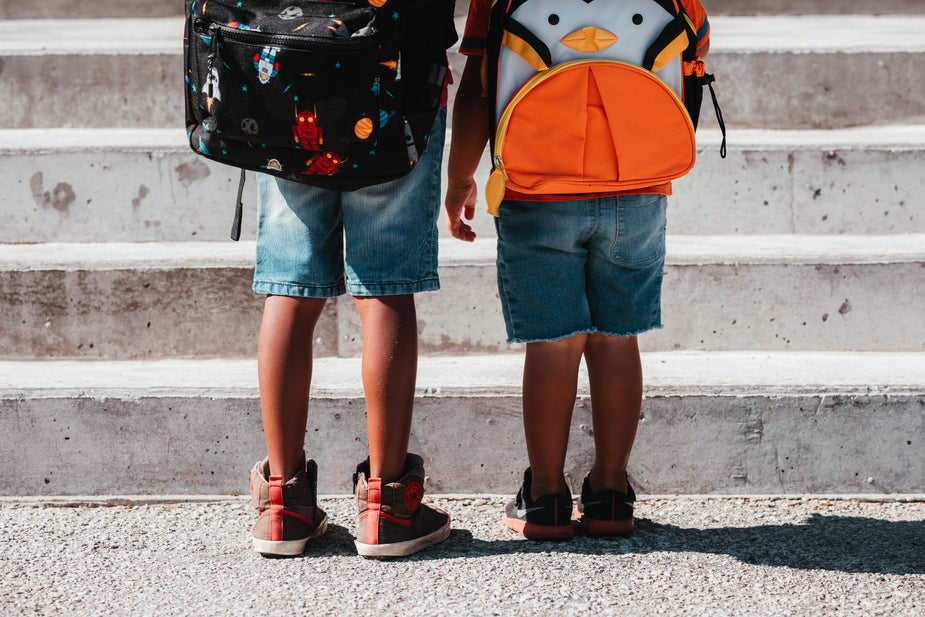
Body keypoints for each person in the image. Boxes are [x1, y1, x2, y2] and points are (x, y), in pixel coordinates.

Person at [445, 0, 711, 540]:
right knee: (616, 338)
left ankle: (544, 497)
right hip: (636, 186)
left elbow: (476, 89)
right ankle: (611, 491)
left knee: (553, 343)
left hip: (536, 185)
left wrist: (459, 180)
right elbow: (695, 56)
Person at [248, 47, 456, 559]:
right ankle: (388, 508)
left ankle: (282, 504)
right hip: (397, 77)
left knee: (290, 286)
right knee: (384, 282)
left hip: (286, 80)